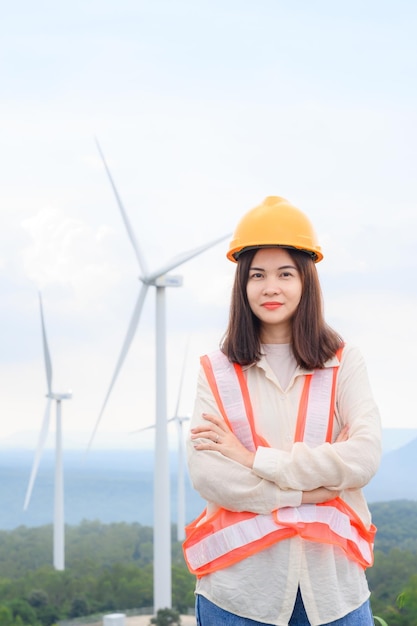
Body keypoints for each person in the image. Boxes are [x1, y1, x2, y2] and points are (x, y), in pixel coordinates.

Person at [183, 196, 382, 626]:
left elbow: (363, 457)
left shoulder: (344, 361)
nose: (270, 287)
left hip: (334, 594)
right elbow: (210, 474)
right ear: (243, 285)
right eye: (257, 275)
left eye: (284, 274)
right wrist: (307, 493)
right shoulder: (215, 370)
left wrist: (254, 458)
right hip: (238, 595)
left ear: (306, 281)